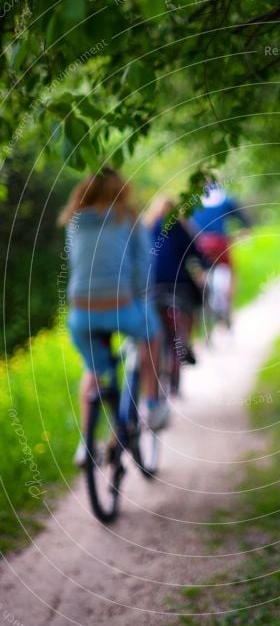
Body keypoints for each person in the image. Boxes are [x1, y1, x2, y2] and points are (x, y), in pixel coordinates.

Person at [59, 168, 169, 465]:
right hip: (121, 307)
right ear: (121, 189)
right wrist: (140, 297)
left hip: (81, 313)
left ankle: (85, 444)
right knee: (152, 336)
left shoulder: (74, 221)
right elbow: (143, 263)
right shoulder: (128, 218)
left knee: (93, 371)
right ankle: (152, 405)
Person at [145, 195, 205, 376]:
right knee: (195, 304)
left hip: (154, 285)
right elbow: (196, 253)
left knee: (155, 318)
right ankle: (187, 341)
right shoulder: (181, 228)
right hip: (180, 283)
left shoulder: (147, 229)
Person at [190, 170, 252, 319]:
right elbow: (241, 216)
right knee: (231, 272)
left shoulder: (193, 202)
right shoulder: (224, 198)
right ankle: (228, 308)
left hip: (200, 243)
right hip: (219, 243)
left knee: (199, 271)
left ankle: (205, 301)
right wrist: (245, 230)